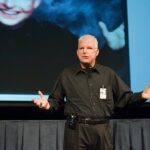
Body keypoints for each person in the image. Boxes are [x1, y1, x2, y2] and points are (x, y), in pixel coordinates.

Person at [32, 34, 150, 150]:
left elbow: (125, 99)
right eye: (81, 48)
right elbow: (55, 101)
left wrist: (142, 96)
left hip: (102, 130)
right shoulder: (66, 75)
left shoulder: (108, 74)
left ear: (97, 52)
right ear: (77, 52)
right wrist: (47, 105)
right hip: (76, 131)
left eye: (89, 48)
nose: (85, 51)